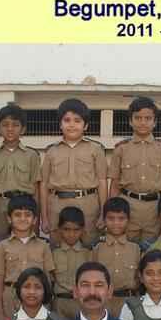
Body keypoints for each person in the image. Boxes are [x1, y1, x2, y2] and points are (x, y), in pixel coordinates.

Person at [107, 96, 161, 240]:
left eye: (148, 118)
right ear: (130, 121)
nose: (143, 122)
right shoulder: (121, 149)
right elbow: (114, 185)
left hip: (155, 208)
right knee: (126, 247)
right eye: (138, 118)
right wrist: (111, 210)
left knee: (153, 249)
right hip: (127, 207)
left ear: (155, 122)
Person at [41, 98, 108, 245]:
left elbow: (102, 182)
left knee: (88, 246)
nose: (72, 125)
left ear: (86, 125)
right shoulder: (51, 151)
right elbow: (44, 184)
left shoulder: (96, 150)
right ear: (60, 124)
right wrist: (44, 217)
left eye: (77, 121)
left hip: (88, 206)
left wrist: (103, 214)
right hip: (57, 206)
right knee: (58, 249)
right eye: (67, 120)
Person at [0, 193, 55, 320]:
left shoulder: (43, 246)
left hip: (36, 299)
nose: (22, 219)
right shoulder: (2, 246)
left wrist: (47, 306)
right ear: (9, 219)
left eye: (27, 215)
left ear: (35, 220)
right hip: (10, 299)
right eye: (17, 215)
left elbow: (47, 279)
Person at [0, 104, 42, 240]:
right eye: (5, 125)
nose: (10, 129)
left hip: (24, 206)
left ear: (23, 129)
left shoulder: (32, 155)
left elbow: (36, 189)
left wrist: (37, 219)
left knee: (25, 243)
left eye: (15, 125)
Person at [91, 196, 144, 316]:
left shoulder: (136, 249)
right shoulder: (97, 248)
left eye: (121, 218)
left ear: (128, 220)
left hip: (130, 303)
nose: (116, 223)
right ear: (104, 220)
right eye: (111, 218)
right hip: (103, 303)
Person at [50, 206, 91, 320]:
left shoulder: (88, 253)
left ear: (82, 230)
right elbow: (50, 280)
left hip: (82, 304)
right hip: (59, 303)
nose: (71, 234)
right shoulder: (53, 253)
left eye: (76, 230)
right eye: (66, 229)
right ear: (59, 229)